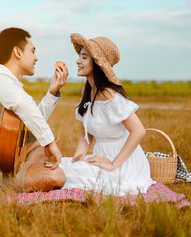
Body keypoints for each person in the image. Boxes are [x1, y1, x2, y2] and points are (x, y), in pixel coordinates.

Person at [0, 27, 67, 191]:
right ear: (17, 52)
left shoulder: (10, 85)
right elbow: (22, 103)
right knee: (57, 176)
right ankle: (27, 178)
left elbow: (30, 124)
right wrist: (50, 142)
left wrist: (52, 93)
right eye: (32, 51)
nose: (36, 58)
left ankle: (26, 176)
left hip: (5, 160)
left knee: (38, 142)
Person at [58, 33, 154, 196]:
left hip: (124, 163)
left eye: (84, 57)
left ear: (96, 63)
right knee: (64, 166)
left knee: (66, 176)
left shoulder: (110, 95)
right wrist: (77, 159)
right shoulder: (86, 93)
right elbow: (85, 136)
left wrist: (112, 164)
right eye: (79, 56)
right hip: (101, 155)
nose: (77, 61)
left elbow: (139, 131)